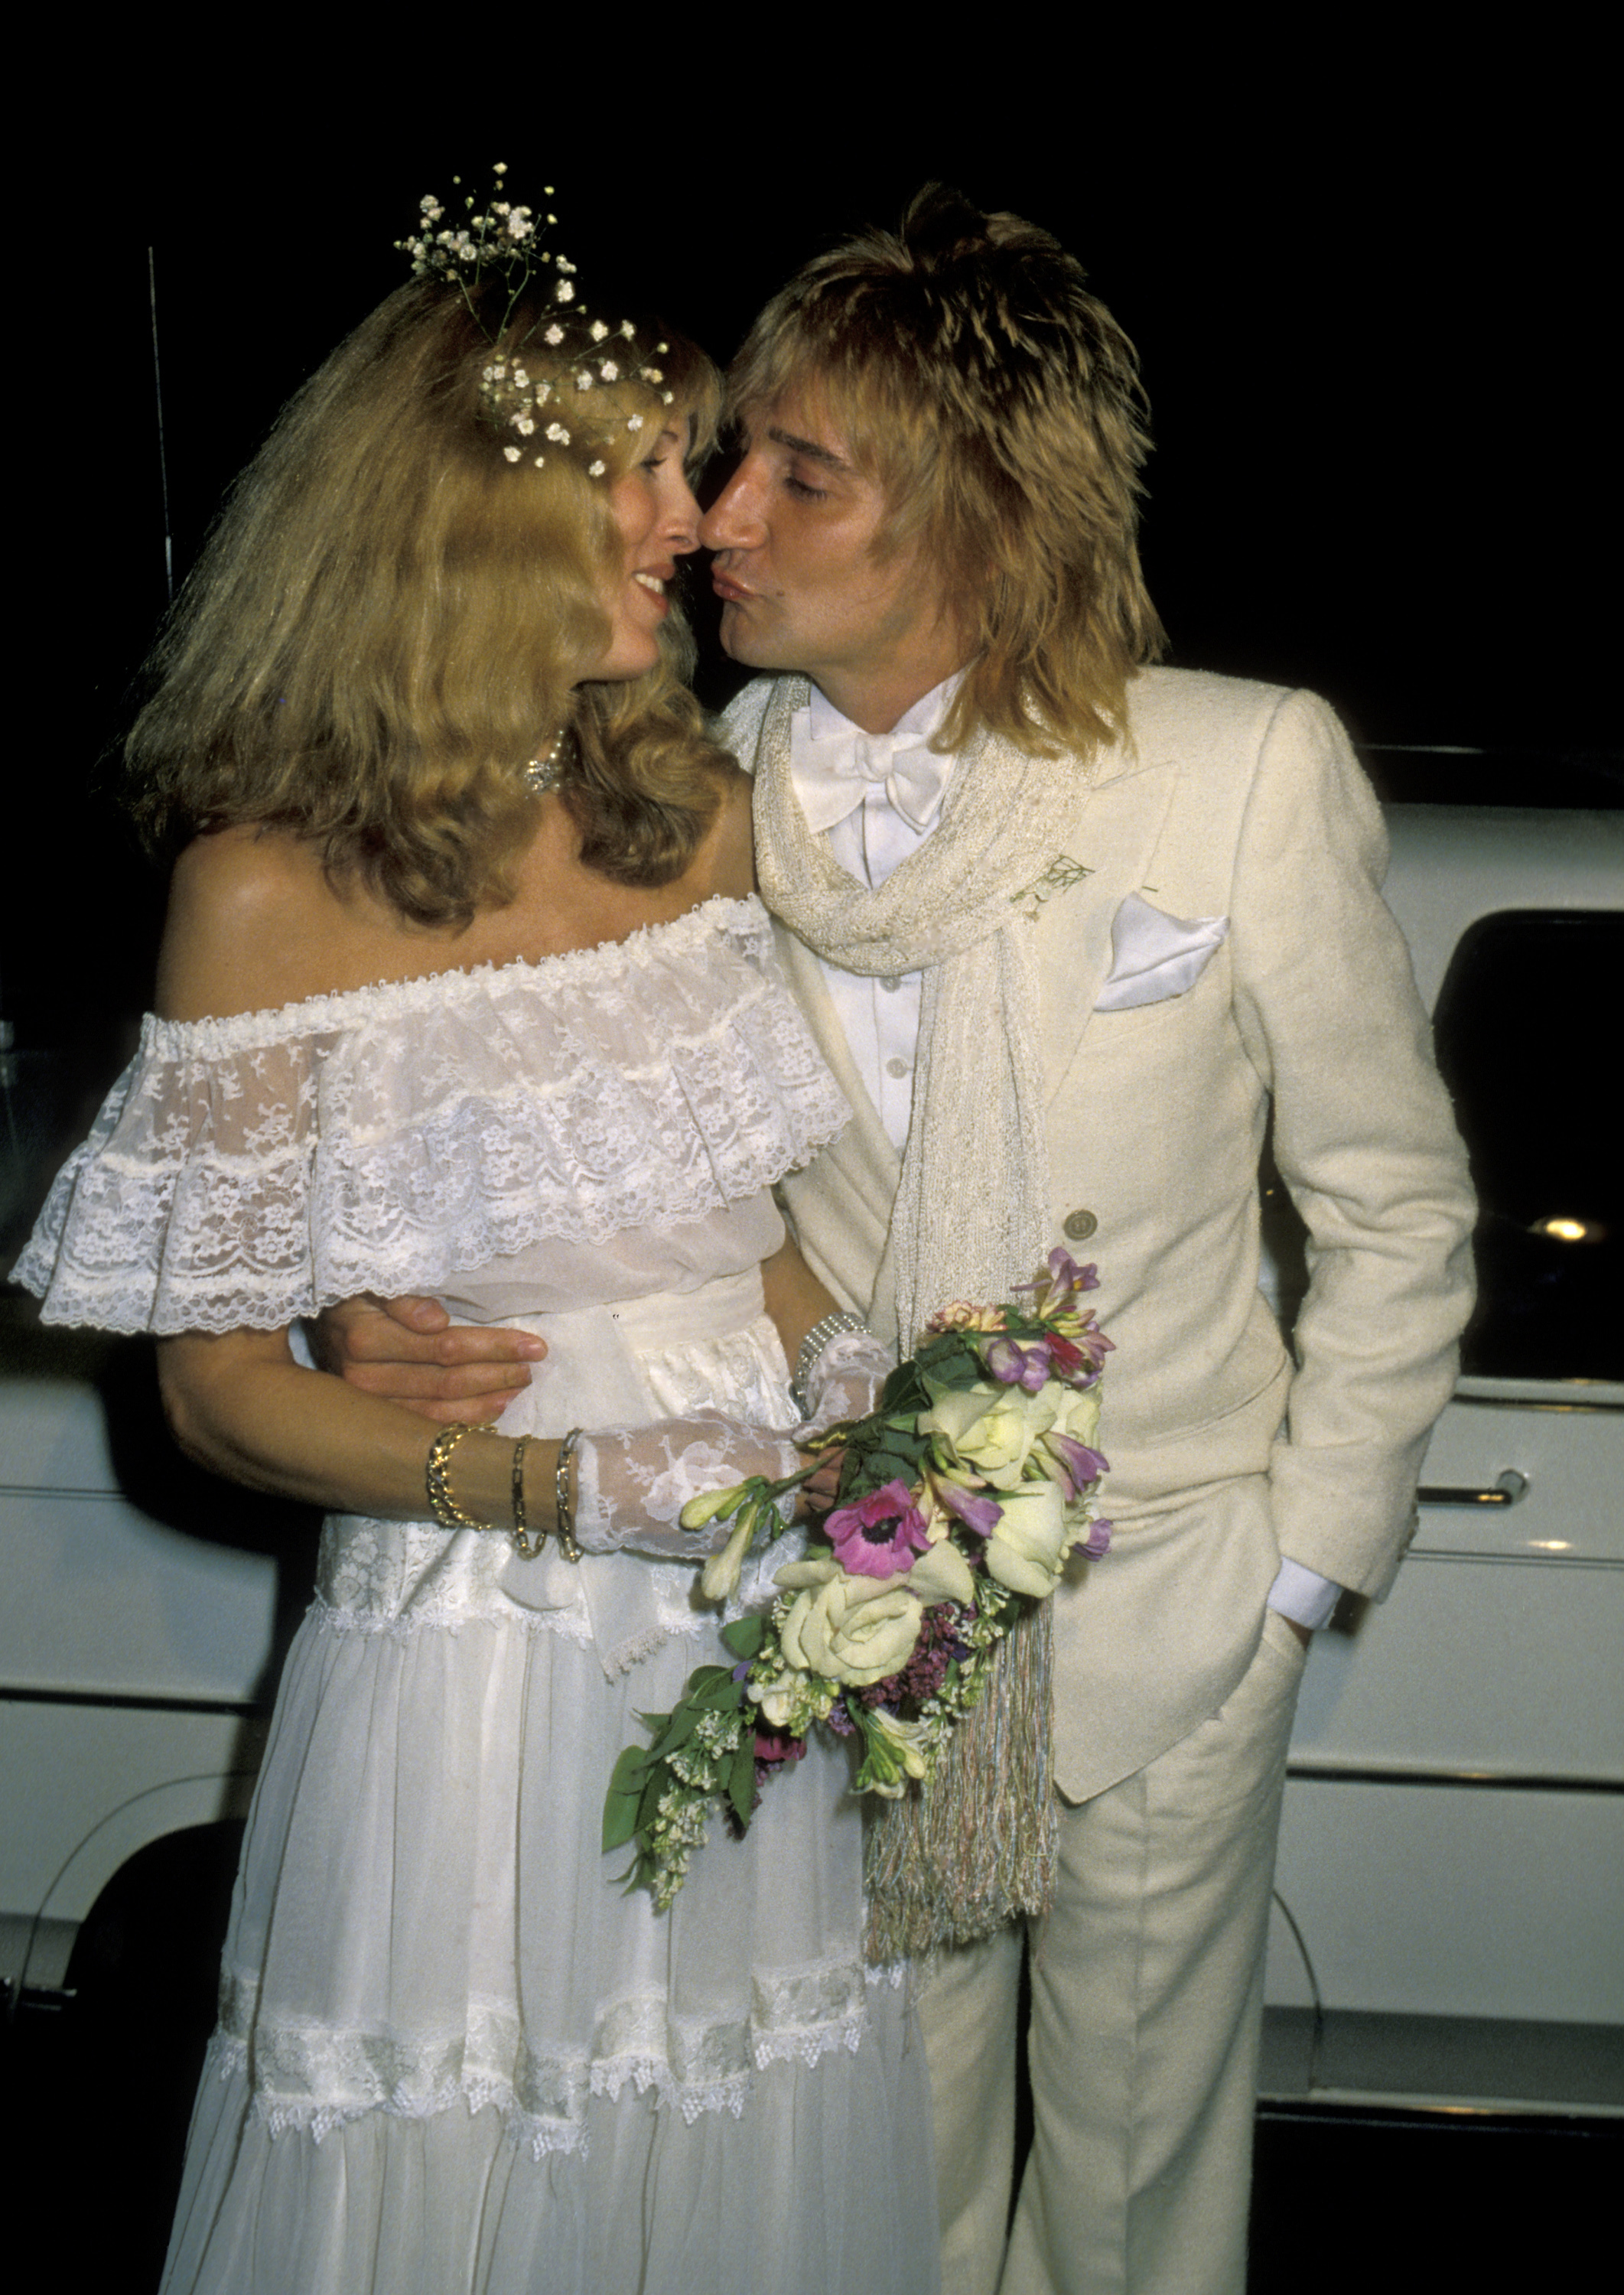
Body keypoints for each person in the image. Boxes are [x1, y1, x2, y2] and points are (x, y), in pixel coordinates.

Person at [325, 187, 1478, 2294]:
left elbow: (1396, 1211)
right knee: (874, 2161)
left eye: (799, 472)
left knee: (1136, 2189)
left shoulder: (1231, 769)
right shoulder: (686, 791)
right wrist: (364, 1300)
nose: (720, 514)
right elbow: (495, 1071)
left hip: (1174, 1585)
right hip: (841, 1592)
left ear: (969, 518)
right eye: (734, 454)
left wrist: (1300, 1570)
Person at [15, 211, 937, 2295]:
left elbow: (749, 1236)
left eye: (692, 467)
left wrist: (866, 1381)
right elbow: (218, 1391)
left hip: (758, 1603)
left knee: (734, 2098)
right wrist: (563, 1486)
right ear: (467, 518)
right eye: (642, 469)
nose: (695, 522)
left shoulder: (692, 809)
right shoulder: (265, 893)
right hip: (474, 1640)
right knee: (467, 2120)